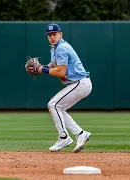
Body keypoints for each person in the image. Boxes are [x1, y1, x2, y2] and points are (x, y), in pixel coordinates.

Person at [33, 23, 92, 153]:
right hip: (79, 84)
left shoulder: (62, 48)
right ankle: (81, 134)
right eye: (49, 35)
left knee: (53, 105)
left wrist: (41, 69)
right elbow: (54, 65)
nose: (52, 37)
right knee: (59, 108)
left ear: (61, 34)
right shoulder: (55, 48)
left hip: (80, 83)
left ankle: (64, 137)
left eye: (54, 34)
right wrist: (42, 67)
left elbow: (60, 72)